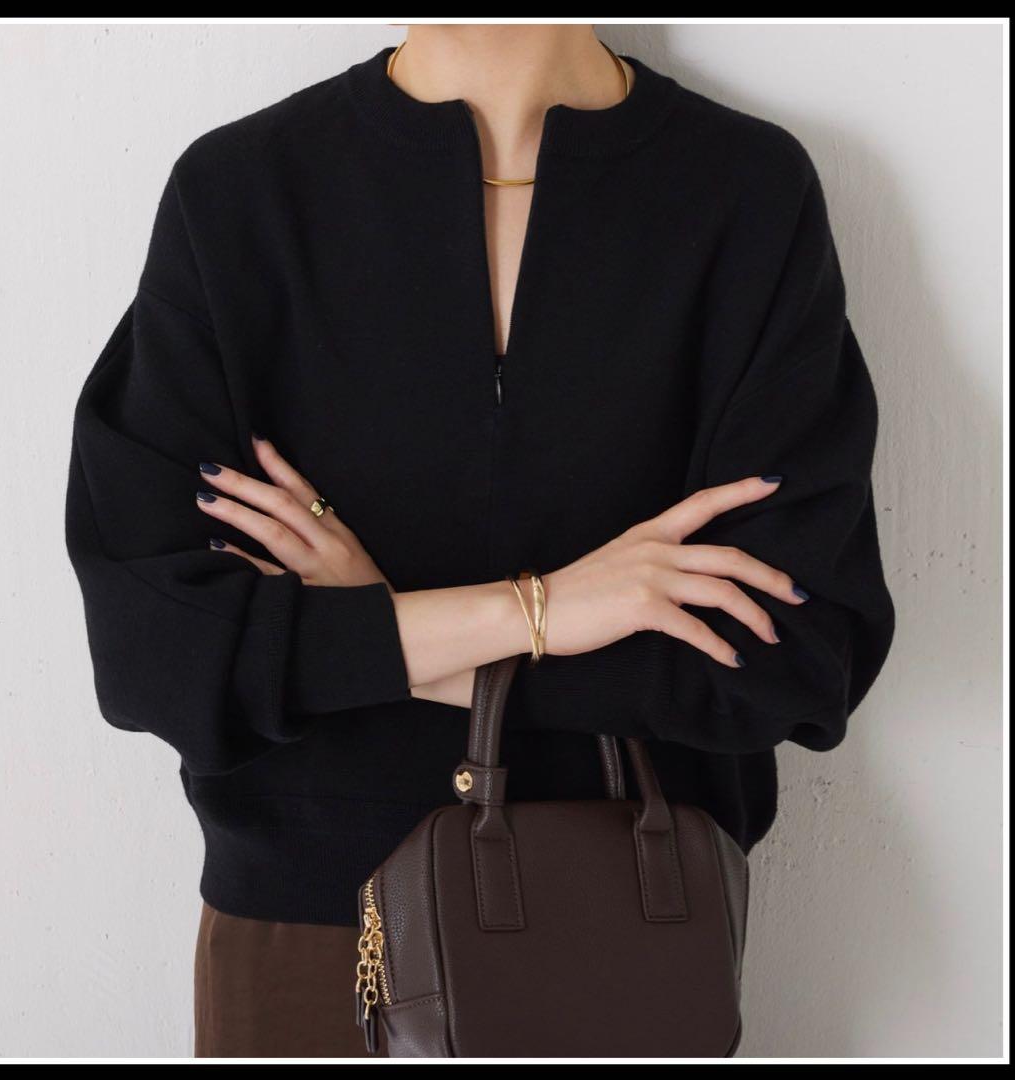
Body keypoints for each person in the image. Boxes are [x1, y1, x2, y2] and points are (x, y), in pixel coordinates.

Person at [64, 25, 896, 1059]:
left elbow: (796, 661)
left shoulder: (744, 192)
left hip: (627, 942)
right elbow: (157, 654)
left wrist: (384, 637)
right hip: (308, 938)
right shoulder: (242, 193)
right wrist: (543, 611)